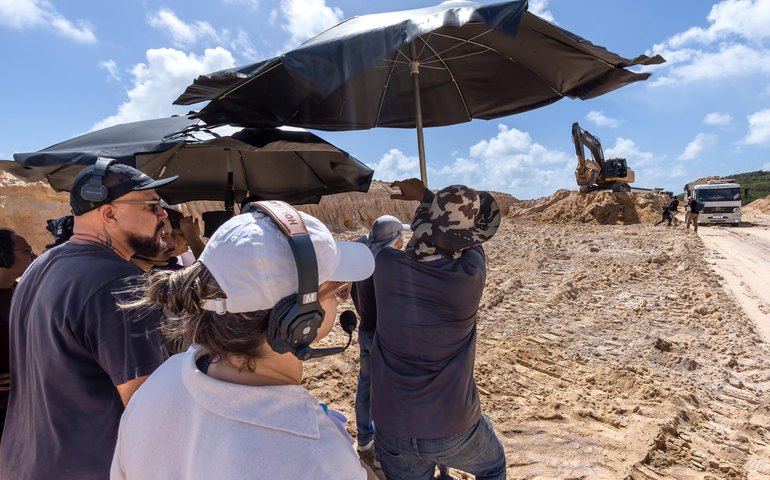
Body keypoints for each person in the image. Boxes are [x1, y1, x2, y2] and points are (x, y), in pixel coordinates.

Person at [111, 201, 377, 480]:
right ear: (301, 319)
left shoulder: (162, 380)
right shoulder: (319, 461)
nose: (340, 297)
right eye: (337, 290)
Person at [0, 160, 178, 479]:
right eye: (152, 205)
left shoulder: (41, 267)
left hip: (23, 464)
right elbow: (147, 405)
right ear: (109, 214)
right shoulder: (119, 282)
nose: (163, 214)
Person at [370, 179, 506, 480]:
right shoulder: (470, 278)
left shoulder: (384, 267)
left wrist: (427, 200)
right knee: (492, 467)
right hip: (454, 425)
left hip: (392, 425)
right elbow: (468, 241)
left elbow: (397, 244)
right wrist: (428, 197)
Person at [351, 215, 408, 468]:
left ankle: (365, 439)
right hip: (386, 336)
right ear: (396, 239)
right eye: (401, 236)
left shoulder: (364, 260)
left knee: (366, 385)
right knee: (390, 392)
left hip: (366, 331)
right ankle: (388, 449)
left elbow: (354, 293)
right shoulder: (393, 264)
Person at [0, 230, 37, 442]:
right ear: (3, 257)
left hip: (20, 402)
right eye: (26, 251)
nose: (33, 256)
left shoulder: (19, 291)